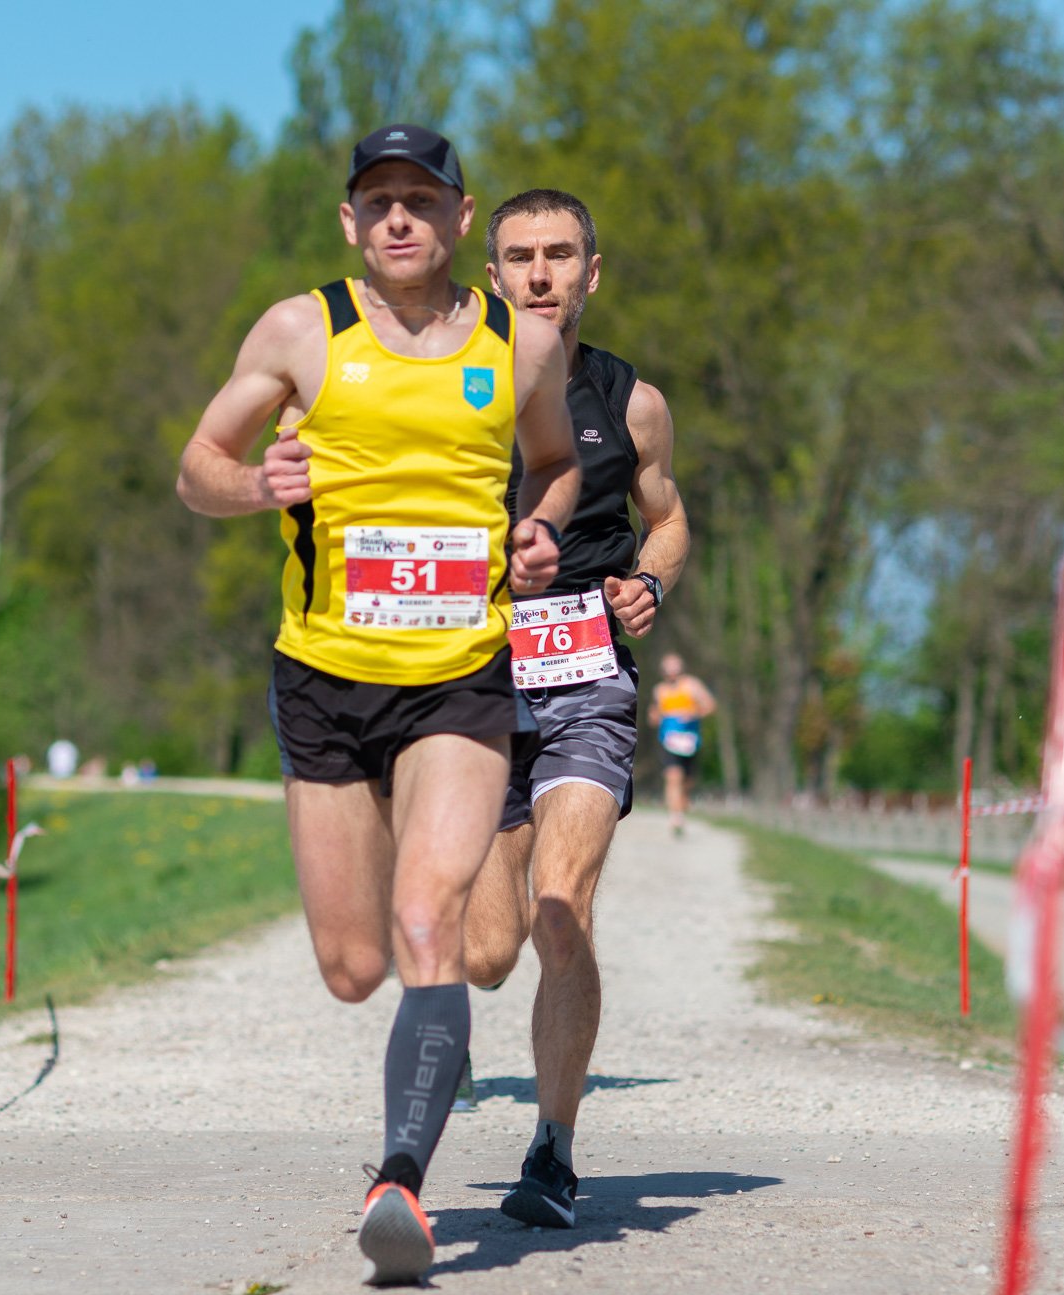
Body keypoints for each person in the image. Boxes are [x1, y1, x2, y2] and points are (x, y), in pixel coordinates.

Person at [174, 125, 581, 1286]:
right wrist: (257, 482)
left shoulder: (522, 340)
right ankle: (406, 1105)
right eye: (377, 202)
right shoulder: (302, 328)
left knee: (426, 924)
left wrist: (540, 527)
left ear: (460, 218)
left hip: (458, 674)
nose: (399, 218)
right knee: (352, 963)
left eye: (420, 199)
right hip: (324, 674)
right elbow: (197, 459)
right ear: (352, 224)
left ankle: (399, 1178)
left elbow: (552, 463)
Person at [460, 189, 690, 1229]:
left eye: (559, 254)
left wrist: (650, 576)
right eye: (520, 256)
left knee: (564, 904)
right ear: (492, 273)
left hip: (586, 672)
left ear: (592, 271)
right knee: (485, 951)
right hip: (465, 682)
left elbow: (669, 513)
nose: (540, 272)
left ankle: (551, 1150)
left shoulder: (631, 399)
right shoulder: (447, 386)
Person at [651, 652, 717, 833]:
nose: (672, 673)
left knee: (687, 781)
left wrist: (694, 713)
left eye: (675, 669)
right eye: (668, 670)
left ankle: (682, 802)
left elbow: (710, 705)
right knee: (673, 776)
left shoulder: (692, 685)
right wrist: (655, 716)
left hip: (690, 740)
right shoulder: (659, 690)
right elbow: (655, 713)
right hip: (668, 740)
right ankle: (675, 817)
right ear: (663, 671)